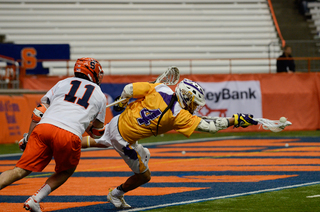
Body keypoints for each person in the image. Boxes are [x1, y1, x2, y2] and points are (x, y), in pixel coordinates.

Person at [81, 78, 258, 209]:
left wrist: (125, 100)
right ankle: (116, 194)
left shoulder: (161, 88)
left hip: (117, 122)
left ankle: (65, 142)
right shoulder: (179, 116)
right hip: (124, 140)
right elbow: (210, 127)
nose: (195, 106)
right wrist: (234, 120)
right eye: (194, 102)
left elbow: (128, 88)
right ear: (187, 97)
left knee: (103, 141)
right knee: (145, 176)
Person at [0, 57, 107, 212]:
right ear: (93, 72)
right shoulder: (99, 94)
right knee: (66, 171)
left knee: (19, 170)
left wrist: (29, 138)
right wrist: (90, 125)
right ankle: (35, 199)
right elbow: (97, 133)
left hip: (44, 127)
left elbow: (39, 112)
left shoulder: (63, 82)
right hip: (69, 133)